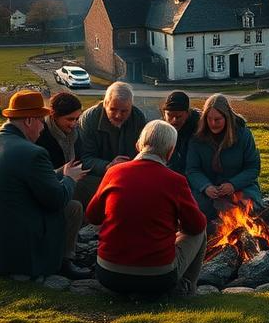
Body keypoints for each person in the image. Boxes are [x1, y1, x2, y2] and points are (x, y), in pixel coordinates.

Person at [0, 90, 91, 279]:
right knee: (73, 208)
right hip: (11, 242)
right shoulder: (33, 153)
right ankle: (62, 263)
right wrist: (70, 179)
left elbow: (18, 181)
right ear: (29, 120)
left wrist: (61, 172)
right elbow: (56, 200)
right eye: (40, 121)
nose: (43, 128)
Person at [86, 120, 208, 296]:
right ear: (170, 152)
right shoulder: (175, 181)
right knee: (200, 231)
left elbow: (93, 216)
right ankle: (185, 288)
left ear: (138, 145)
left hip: (108, 273)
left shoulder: (114, 172)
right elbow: (196, 226)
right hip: (156, 278)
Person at [185, 93, 262, 220]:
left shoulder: (243, 135)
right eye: (209, 119)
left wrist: (233, 184)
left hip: (240, 187)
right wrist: (205, 186)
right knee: (198, 210)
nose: (213, 123)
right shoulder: (197, 138)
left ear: (227, 117)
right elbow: (192, 169)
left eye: (218, 119)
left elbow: (253, 167)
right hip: (209, 190)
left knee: (247, 209)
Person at [75, 81, 147, 204]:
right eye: (113, 109)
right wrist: (108, 166)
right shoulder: (90, 119)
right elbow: (84, 159)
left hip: (129, 174)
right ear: (105, 104)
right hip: (99, 176)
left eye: (124, 111)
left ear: (131, 107)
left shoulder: (138, 117)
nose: (118, 115)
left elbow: (144, 152)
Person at [35, 91, 83, 169]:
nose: (74, 124)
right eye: (70, 119)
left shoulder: (76, 133)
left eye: (77, 119)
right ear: (54, 116)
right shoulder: (40, 136)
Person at [159, 90, 200, 175]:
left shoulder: (198, 129)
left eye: (178, 117)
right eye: (169, 115)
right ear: (164, 114)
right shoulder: (160, 129)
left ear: (188, 114)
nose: (174, 121)